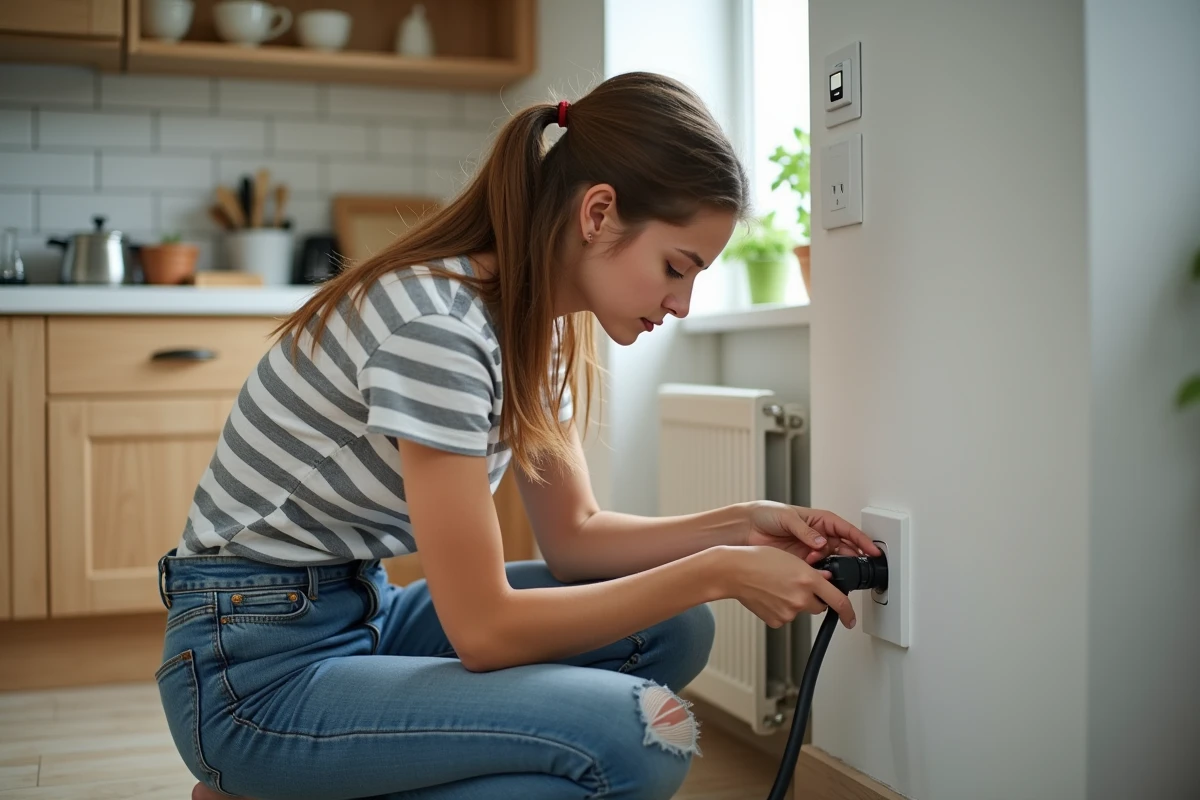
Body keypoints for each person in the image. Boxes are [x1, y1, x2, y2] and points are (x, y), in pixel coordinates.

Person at [155, 71, 882, 800]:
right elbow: (483, 630)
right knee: (641, 738)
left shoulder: (539, 330)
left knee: (676, 627)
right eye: (675, 267)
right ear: (598, 212)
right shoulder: (439, 329)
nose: (683, 304)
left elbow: (576, 537)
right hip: (253, 668)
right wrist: (718, 571)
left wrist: (743, 526)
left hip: (364, 611)